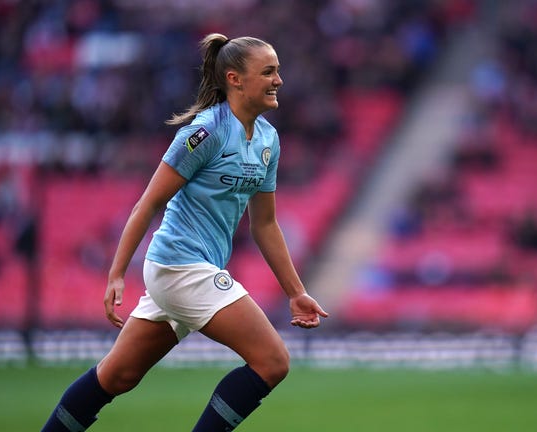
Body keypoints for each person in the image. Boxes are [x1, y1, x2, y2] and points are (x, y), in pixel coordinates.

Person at [41, 33, 329, 432]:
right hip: (180, 266)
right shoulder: (206, 132)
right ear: (235, 79)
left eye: (278, 70)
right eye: (268, 71)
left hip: (189, 271)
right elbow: (148, 203)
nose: (279, 79)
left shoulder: (268, 140)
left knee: (116, 377)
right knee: (273, 361)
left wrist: (296, 292)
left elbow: (264, 224)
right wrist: (116, 273)